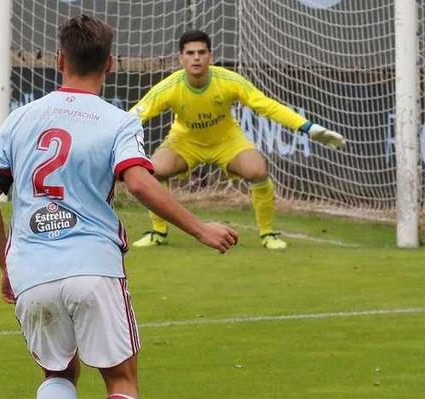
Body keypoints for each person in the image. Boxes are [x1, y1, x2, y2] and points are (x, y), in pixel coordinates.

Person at [0, 16, 238, 399]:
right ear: (110, 65)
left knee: (58, 371)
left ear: (59, 61)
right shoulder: (119, 121)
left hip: (32, 269)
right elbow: (138, 181)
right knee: (121, 378)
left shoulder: (19, 118)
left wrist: (7, 268)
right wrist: (200, 228)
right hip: (93, 265)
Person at [130, 30, 346, 250]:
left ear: (210, 57)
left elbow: (266, 105)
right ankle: (158, 232)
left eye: (202, 52)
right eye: (191, 53)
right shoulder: (168, 87)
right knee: (153, 171)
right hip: (184, 141)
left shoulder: (229, 81)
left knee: (258, 171)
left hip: (227, 140)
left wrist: (308, 128)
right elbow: (136, 116)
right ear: (181, 58)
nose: (196, 58)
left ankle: (268, 234)